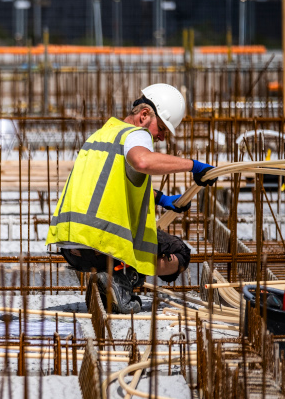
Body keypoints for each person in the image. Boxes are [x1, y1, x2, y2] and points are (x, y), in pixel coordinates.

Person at [46, 83, 217, 314]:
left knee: (152, 241)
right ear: (145, 116)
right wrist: (193, 166)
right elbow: (142, 161)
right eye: (163, 128)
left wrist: (162, 199)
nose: (162, 137)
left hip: (71, 243)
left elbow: (108, 183)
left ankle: (110, 278)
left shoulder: (101, 134)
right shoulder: (136, 134)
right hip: (102, 242)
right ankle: (123, 279)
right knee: (180, 252)